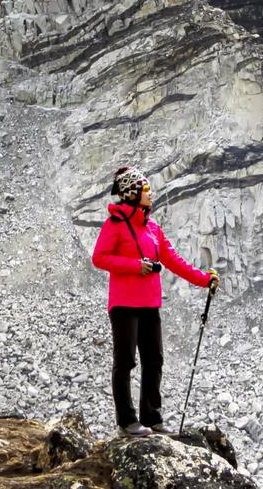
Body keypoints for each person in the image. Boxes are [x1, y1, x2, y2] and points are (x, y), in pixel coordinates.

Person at [91, 165, 220, 437]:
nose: (151, 194)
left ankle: (152, 418)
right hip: (124, 304)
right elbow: (99, 258)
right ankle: (127, 422)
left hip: (149, 304)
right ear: (133, 193)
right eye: (146, 189)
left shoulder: (152, 227)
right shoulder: (114, 225)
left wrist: (202, 279)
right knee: (125, 361)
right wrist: (136, 266)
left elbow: (173, 260)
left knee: (154, 359)